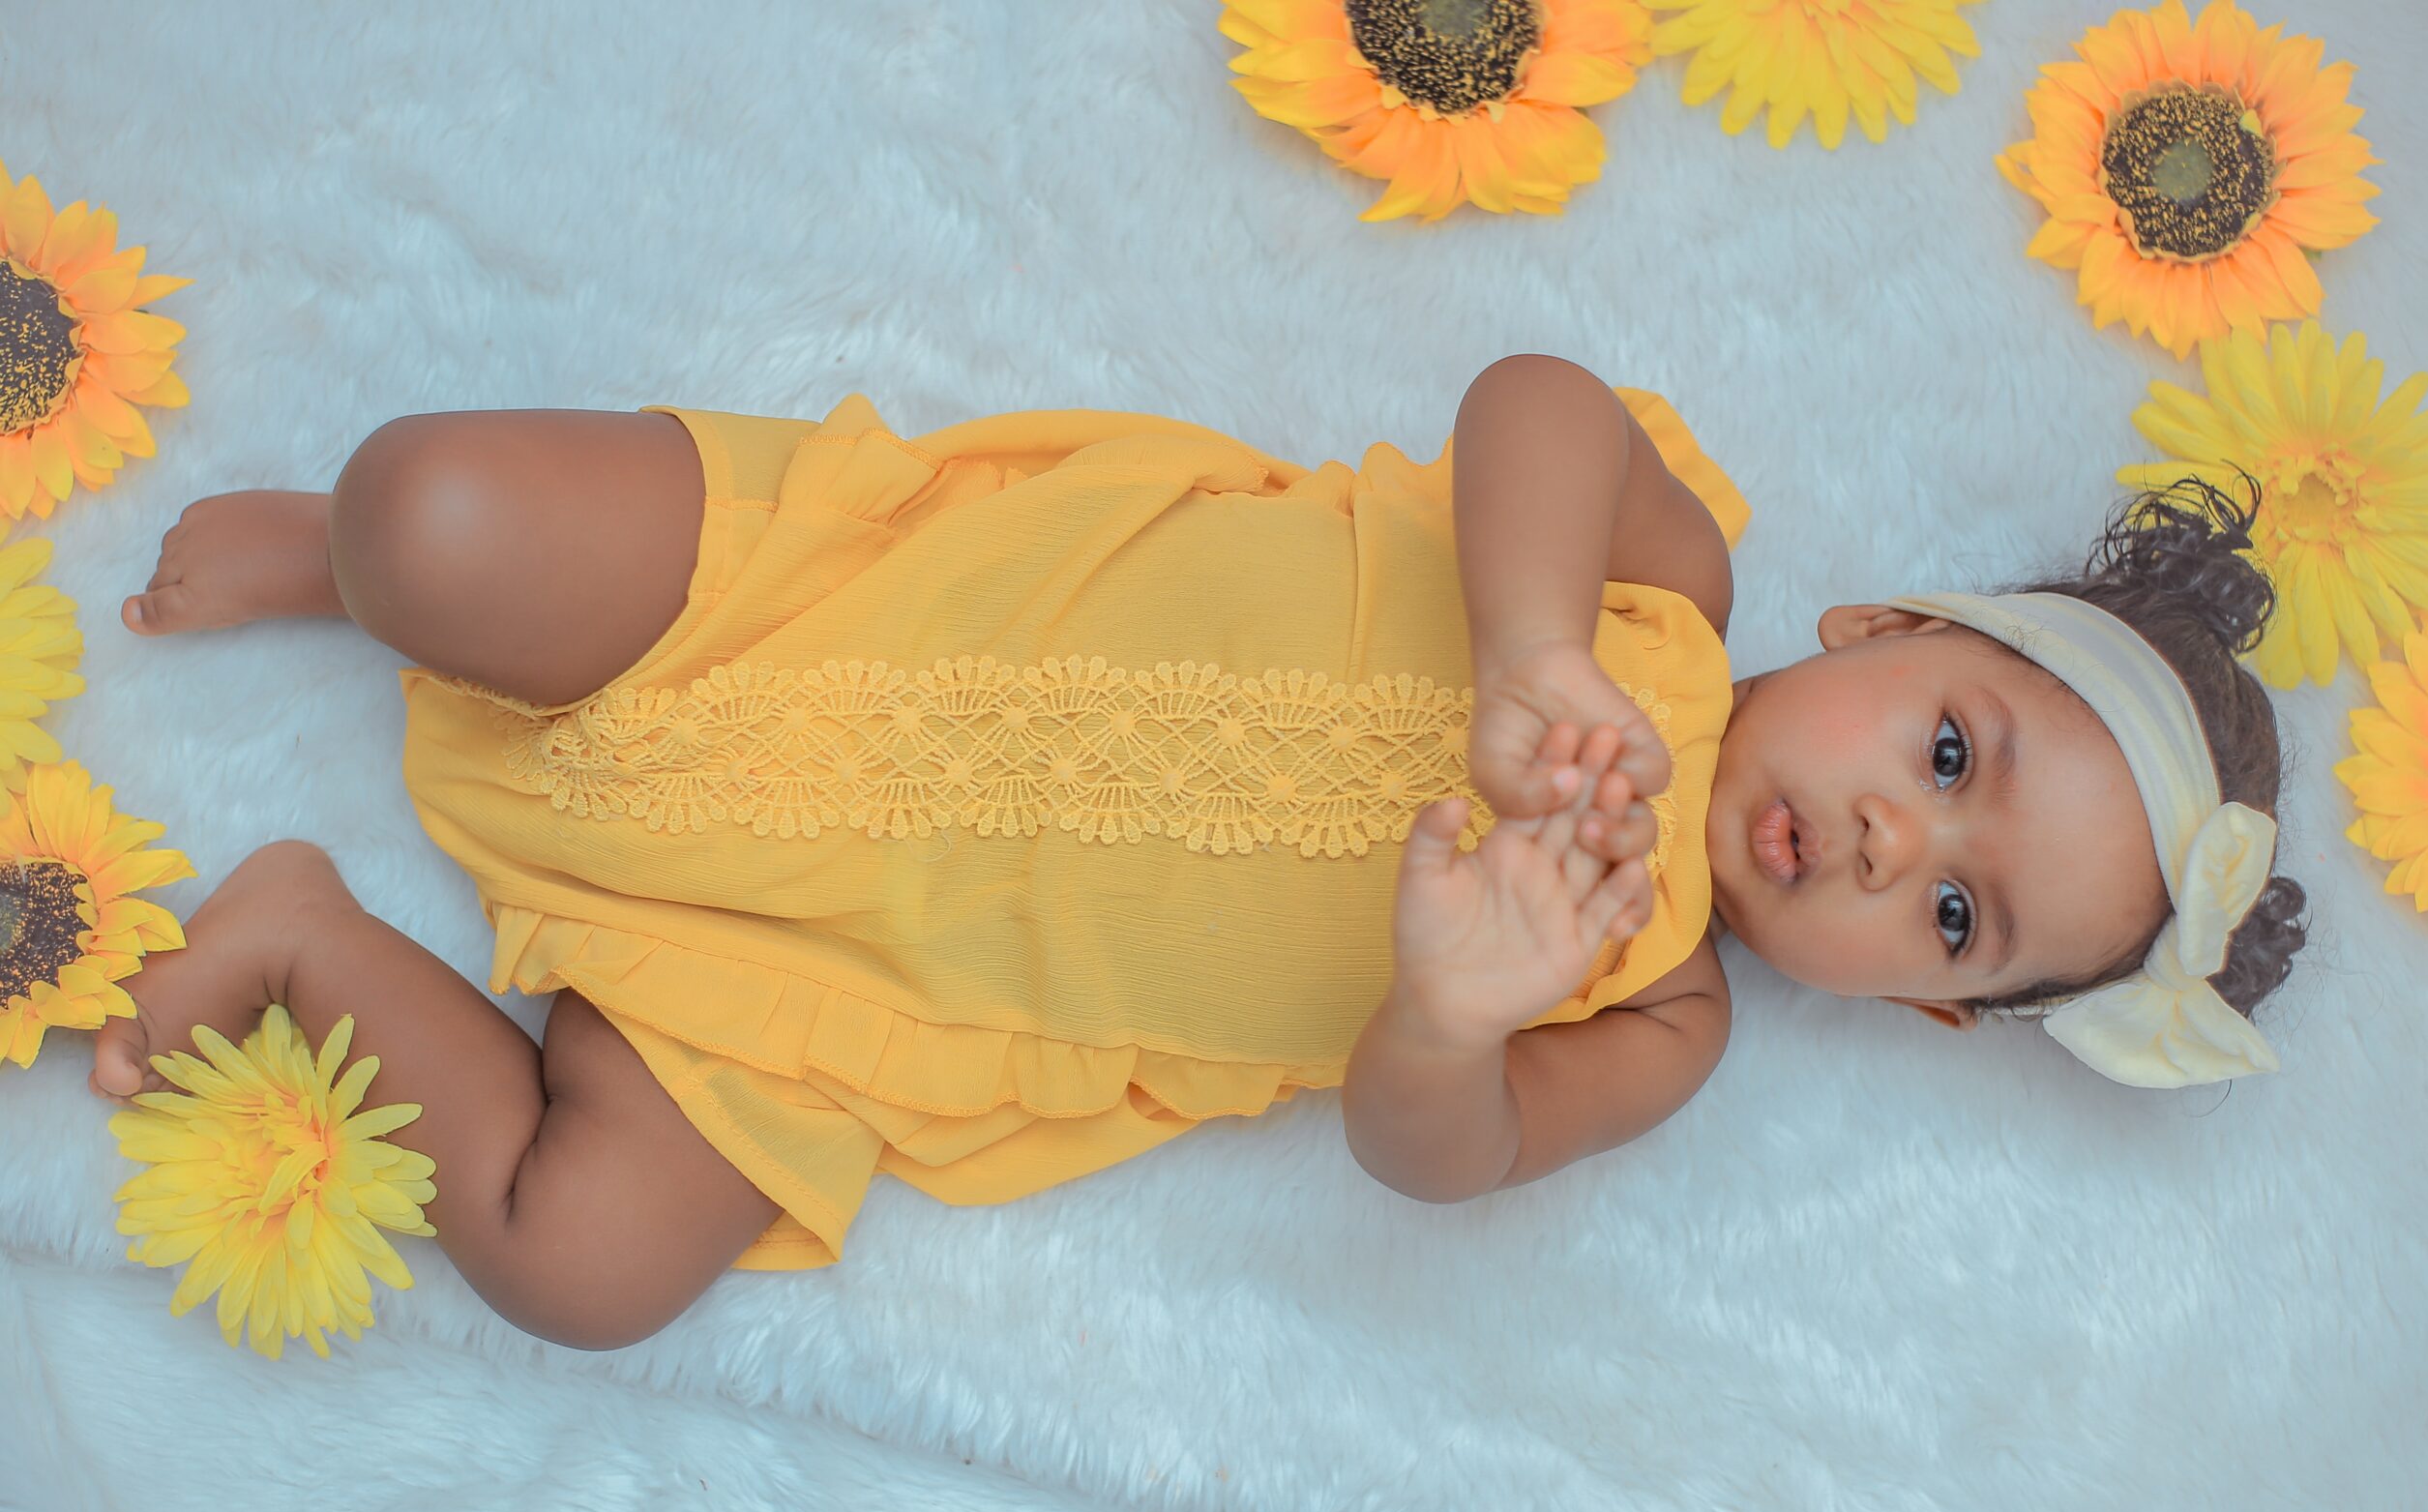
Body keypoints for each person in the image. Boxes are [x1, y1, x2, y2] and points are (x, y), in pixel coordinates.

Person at [93, 353, 2307, 1349]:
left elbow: (1419, 1159)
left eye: (1949, 904)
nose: (1886, 831)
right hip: (857, 620)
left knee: (582, 1267)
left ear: (1917, 998)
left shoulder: (1658, 1011)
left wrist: (1453, 1005)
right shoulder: (1667, 590)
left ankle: (306, 933)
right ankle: (356, 569)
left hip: (855, 978)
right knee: (432, 513)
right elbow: (1533, 396)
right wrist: (1532, 640)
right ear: (1880, 623)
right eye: (1945, 741)